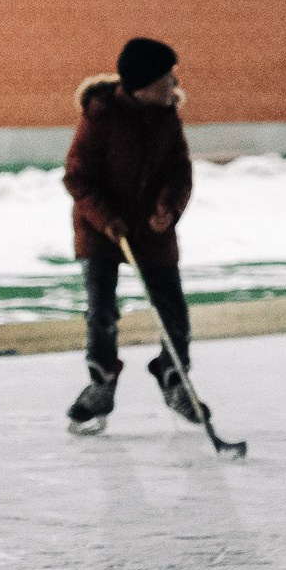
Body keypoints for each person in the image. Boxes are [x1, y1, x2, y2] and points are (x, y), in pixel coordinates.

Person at [61, 36, 205, 434]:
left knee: (172, 310)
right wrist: (107, 220)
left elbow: (180, 173)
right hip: (102, 229)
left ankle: (174, 377)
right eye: (167, 79)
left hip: (152, 228)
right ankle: (101, 383)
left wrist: (169, 209)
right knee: (102, 313)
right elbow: (77, 177)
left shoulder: (167, 117)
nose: (174, 85)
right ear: (143, 83)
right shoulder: (101, 115)